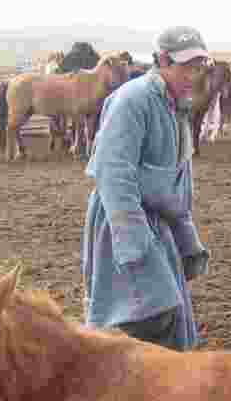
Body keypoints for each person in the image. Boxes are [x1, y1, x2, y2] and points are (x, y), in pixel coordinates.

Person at [81, 25, 211, 351]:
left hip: (157, 222)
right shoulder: (133, 100)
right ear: (162, 60)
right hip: (124, 223)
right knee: (143, 315)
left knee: (164, 315)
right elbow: (113, 173)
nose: (191, 75)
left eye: (197, 68)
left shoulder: (174, 105)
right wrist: (135, 245)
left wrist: (185, 237)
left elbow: (176, 180)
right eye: (185, 67)